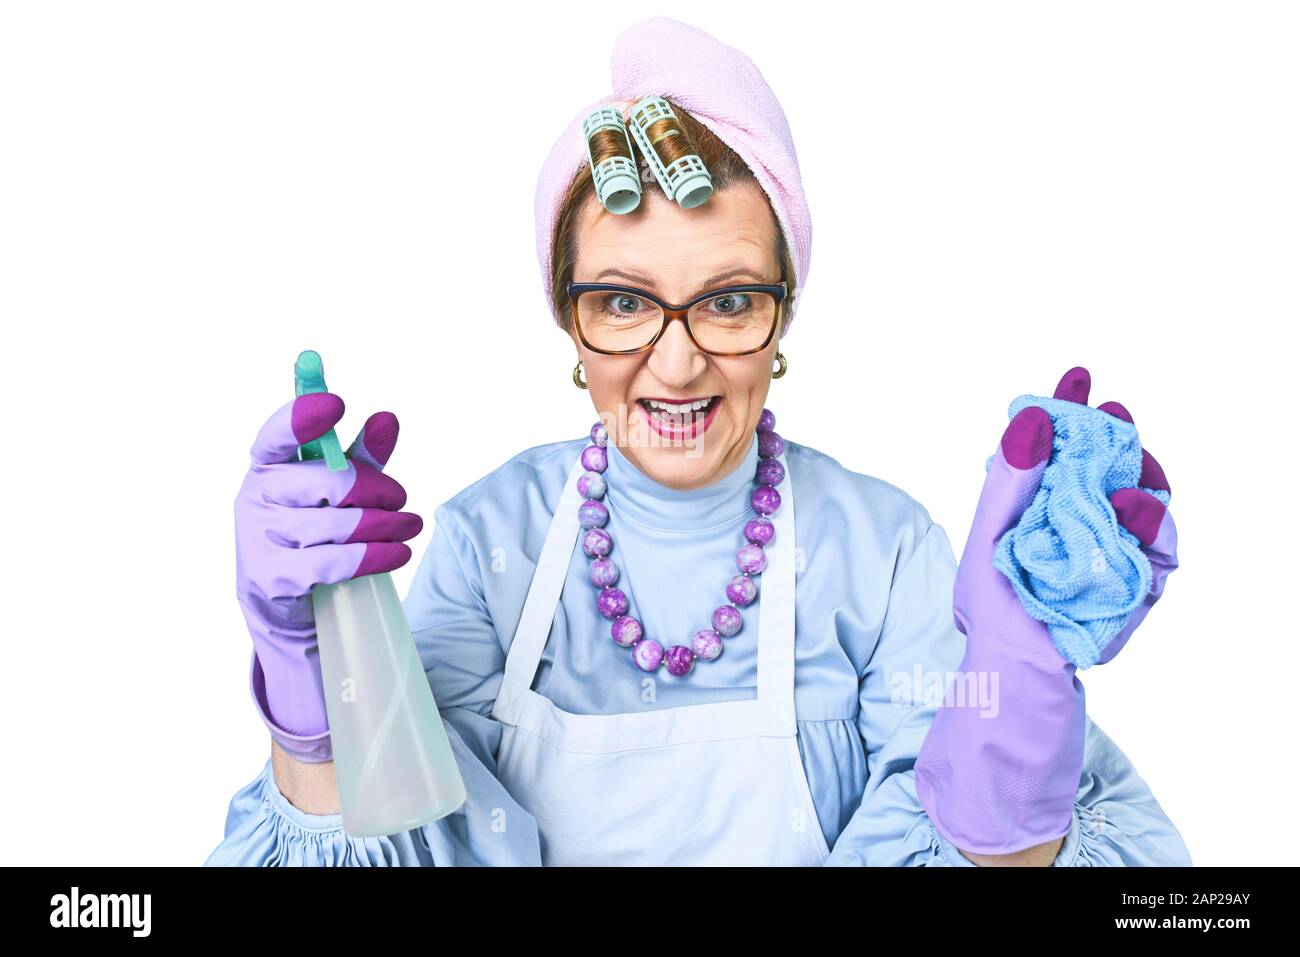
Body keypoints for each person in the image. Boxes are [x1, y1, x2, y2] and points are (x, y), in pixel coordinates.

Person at [206, 16, 1190, 867]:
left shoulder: (881, 550)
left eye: (726, 301)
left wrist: (1007, 735)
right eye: (624, 302)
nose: (674, 367)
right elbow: (403, 848)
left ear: (782, 315)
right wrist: (318, 687)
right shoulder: (484, 541)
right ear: (568, 319)